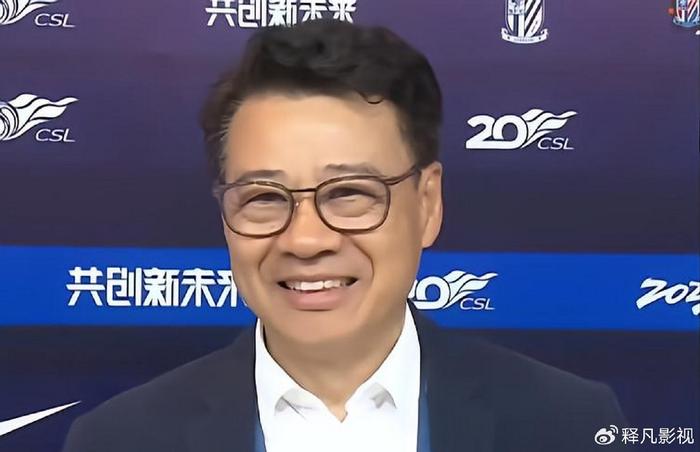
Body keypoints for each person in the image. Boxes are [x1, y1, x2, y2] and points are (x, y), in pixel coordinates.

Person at [62, 19, 627, 452]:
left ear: (427, 204)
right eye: (264, 198)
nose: (306, 240)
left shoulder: (569, 423)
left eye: (350, 193)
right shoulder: (119, 440)